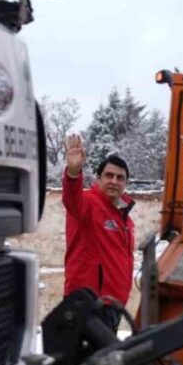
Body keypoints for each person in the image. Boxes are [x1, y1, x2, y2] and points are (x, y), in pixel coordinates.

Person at [61, 133, 135, 332]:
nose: (114, 181)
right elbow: (71, 198)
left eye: (120, 178)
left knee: (102, 361)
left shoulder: (125, 218)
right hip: (88, 305)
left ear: (125, 184)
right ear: (98, 178)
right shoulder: (88, 204)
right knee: (83, 361)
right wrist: (74, 172)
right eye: (109, 175)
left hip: (112, 306)